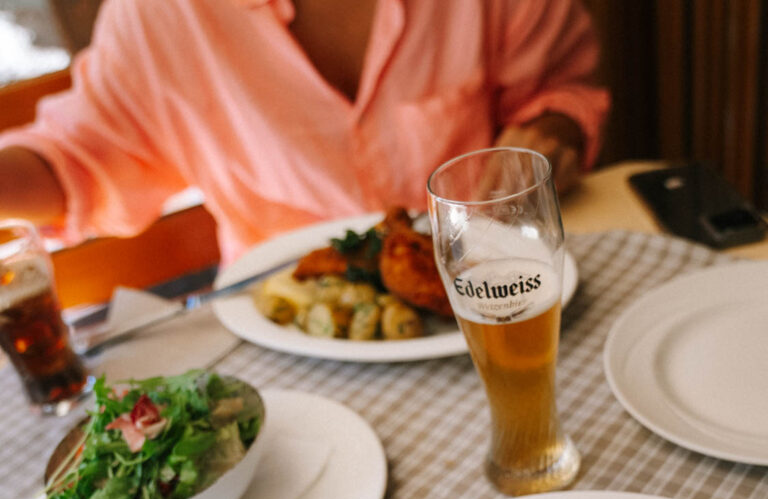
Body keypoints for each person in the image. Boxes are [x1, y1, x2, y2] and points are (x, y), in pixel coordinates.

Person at [0, 0, 609, 264]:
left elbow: (561, 92)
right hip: (291, 333)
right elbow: (73, 163)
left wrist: (554, 132)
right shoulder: (160, 16)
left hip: (487, 277)